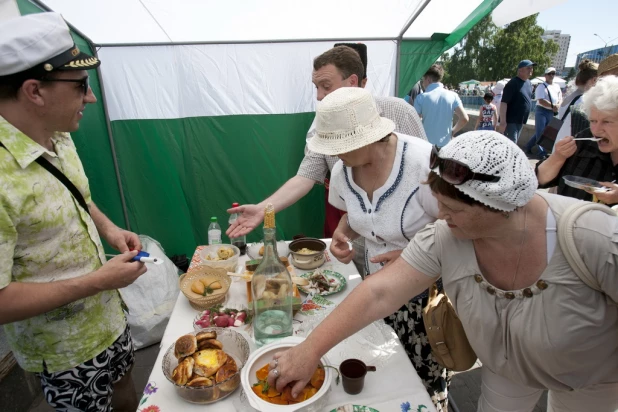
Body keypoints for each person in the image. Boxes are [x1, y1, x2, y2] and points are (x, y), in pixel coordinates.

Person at [267, 130, 618, 412]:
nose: (442, 217)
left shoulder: (592, 237)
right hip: (506, 369)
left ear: (499, 205)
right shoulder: (446, 235)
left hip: (590, 380)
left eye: (451, 208)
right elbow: (379, 292)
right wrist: (309, 350)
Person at [0, 13, 148, 411]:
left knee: (125, 391)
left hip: (108, 319)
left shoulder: (60, 134)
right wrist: (97, 281)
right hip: (63, 348)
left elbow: (78, 197)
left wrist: (110, 229)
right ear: (34, 91)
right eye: (81, 86)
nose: (92, 98)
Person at [308, 87, 449, 410]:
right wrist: (343, 234)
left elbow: (457, 227)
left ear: (369, 137)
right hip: (376, 292)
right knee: (385, 376)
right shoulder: (344, 170)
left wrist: (415, 255)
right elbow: (357, 216)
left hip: (426, 300)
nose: (335, 154)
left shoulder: (423, 162)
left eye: (340, 146)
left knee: (421, 380)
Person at [226, 45, 427, 271]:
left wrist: (417, 253)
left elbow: (428, 182)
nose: (319, 96)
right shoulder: (325, 127)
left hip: (416, 250)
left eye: (326, 86)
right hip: (362, 243)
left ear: (352, 82)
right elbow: (305, 176)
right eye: (316, 87)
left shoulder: (399, 111)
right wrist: (264, 209)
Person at [536, 75, 618, 206]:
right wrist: (557, 157)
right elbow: (538, 180)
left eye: (606, 122)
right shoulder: (584, 142)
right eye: (593, 121)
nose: (596, 130)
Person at [414, 64, 469, 145]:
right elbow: (464, 118)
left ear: (428, 79)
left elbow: (414, 123)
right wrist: (452, 132)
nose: (422, 84)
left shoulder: (421, 98)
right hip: (445, 145)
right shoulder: (453, 95)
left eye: (423, 80)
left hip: (426, 145)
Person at [554, 59, 598, 146]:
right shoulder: (584, 101)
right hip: (570, 147)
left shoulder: (570, 96)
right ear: (594, 80)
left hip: (561, 143)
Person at [525, 67, 563, 158]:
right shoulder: (541, 86)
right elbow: (541, 100)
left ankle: (528, 146)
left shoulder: (557, 86)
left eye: (553, 73)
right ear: (545, 75)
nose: (551, 75)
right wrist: (553, 106)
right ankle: (542, 152)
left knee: (545, 132)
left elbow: (560, 98)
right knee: (541, 132)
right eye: (549, 74)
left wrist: (557, 105)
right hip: (541, 111)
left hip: (551, 111)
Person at [496, 60, 535, 143]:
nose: (531, 70)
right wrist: (503, 122)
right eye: (528, 68)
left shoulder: (528, 83)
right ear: (520, 70)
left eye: (531, 68)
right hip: (511, 121)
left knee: (513, 144)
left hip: (520, 120)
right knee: (511, 144)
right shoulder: (513, 83)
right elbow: (504, 103)